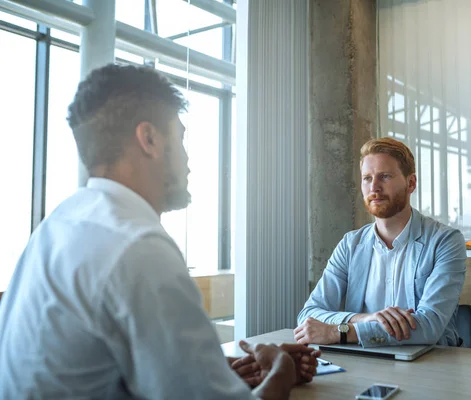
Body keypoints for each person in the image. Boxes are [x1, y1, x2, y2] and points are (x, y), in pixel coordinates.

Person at [0, 64, 318, 399]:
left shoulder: (58, 226)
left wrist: (211, 372)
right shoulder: (138, 247)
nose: (188, 159)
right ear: (149, 139)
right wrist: (281, 367)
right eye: (180, 138)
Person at [295, 137, 466, 348]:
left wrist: (340, 332)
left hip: (428, 362)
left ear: (410, 183)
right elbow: (308, 316)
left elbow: (429, 327)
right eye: (367, 178)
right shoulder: (350, 245)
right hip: (362, 358)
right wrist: (364, 319)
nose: (374, 187)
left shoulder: (445, 241)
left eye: (385, 176)